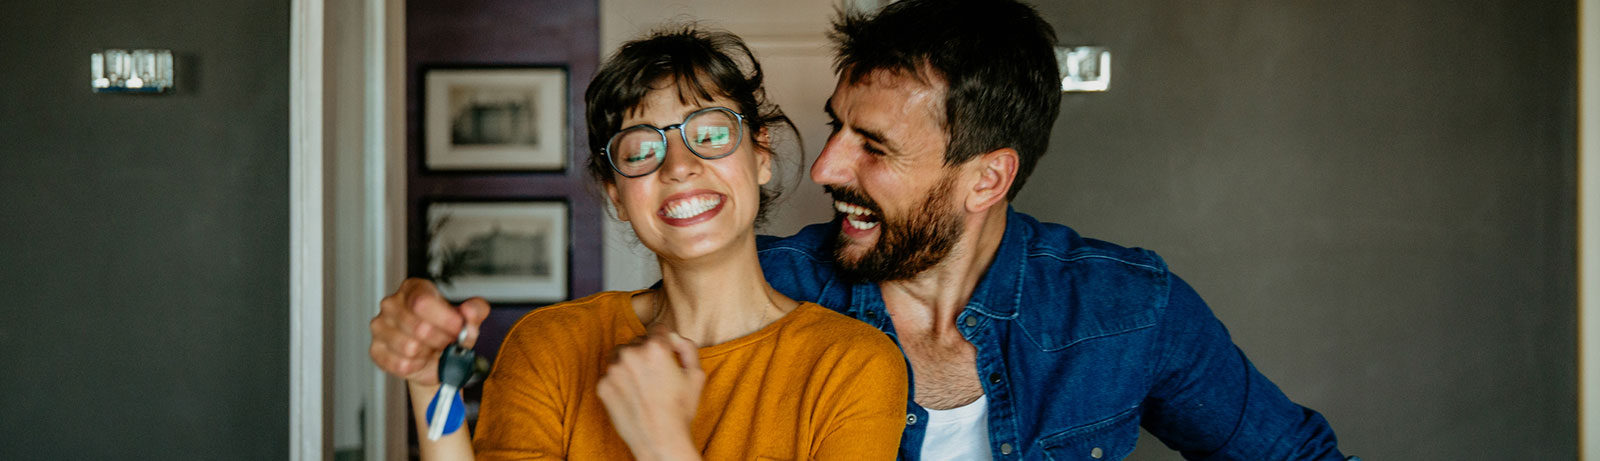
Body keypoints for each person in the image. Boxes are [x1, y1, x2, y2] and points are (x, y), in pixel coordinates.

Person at [378, 1, 1353, 460]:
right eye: (833, 129)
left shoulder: (1122, 306)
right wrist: (439, 380)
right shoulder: (754, 293)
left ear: (985, 176)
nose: (830, 166)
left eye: (870, 145)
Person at [369, 27, 908, 460]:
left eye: (712, 133)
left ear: (760, 154)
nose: (679, 167)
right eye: (640, 149)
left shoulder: (853, 367)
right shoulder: (551, 346)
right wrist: (427, 382)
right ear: (615, 193)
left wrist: (662, 443)